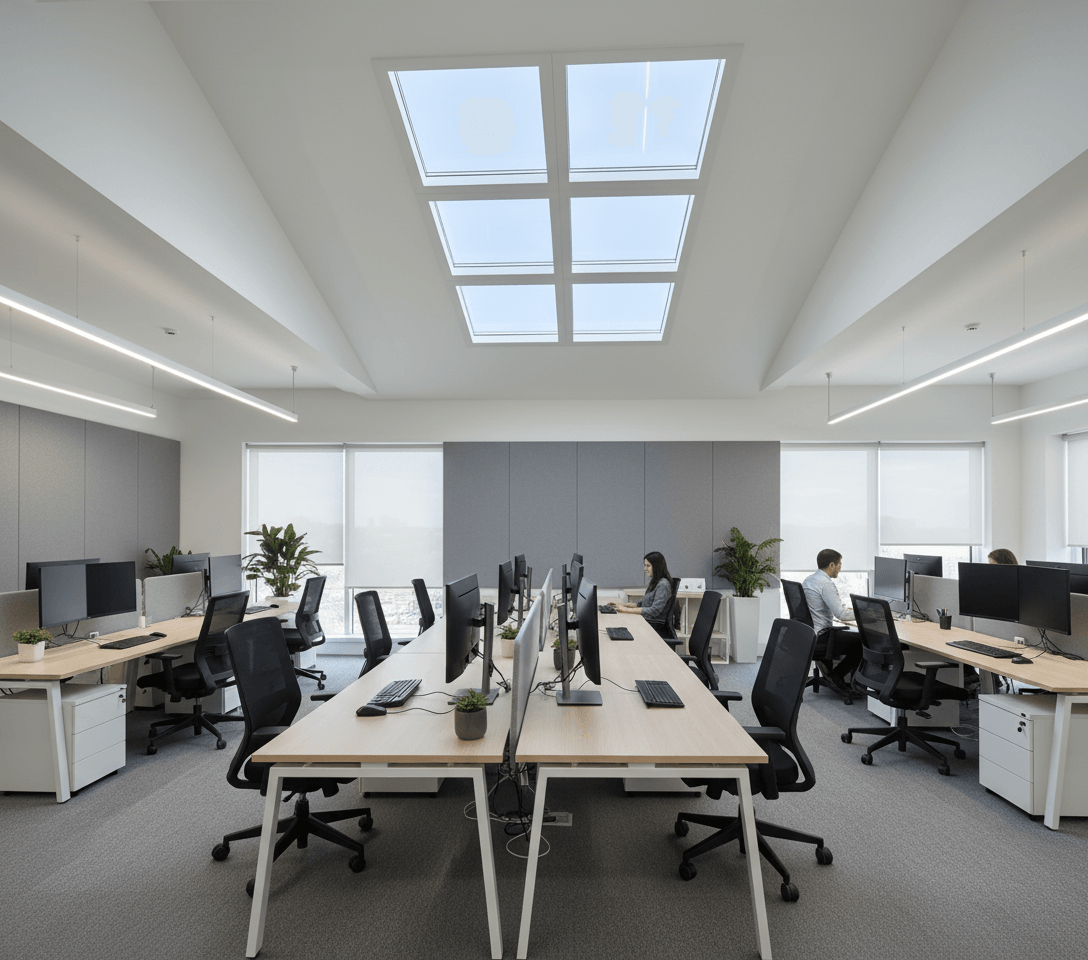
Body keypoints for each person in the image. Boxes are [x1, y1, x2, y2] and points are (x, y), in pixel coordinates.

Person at [802, 548, 862, 684]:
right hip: (823, 636)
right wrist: (864, 613)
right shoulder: (826, 584)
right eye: (840, 564)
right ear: (831, 565)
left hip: (811, 633)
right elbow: (841, 615)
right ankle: (836, 676)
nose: (840, 568)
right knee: (864, 642)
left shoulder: (809, 580)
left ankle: (833, 676)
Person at [612, 551, 675, 622]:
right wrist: (622, 605)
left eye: (648, 566)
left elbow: (654, 611)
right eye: (645, 565)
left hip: (654, 623)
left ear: (657, 566)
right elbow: (641, 604)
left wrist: (625, 610)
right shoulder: (655, 582)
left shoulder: (663, 584)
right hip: (648, 619)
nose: (645, 569)